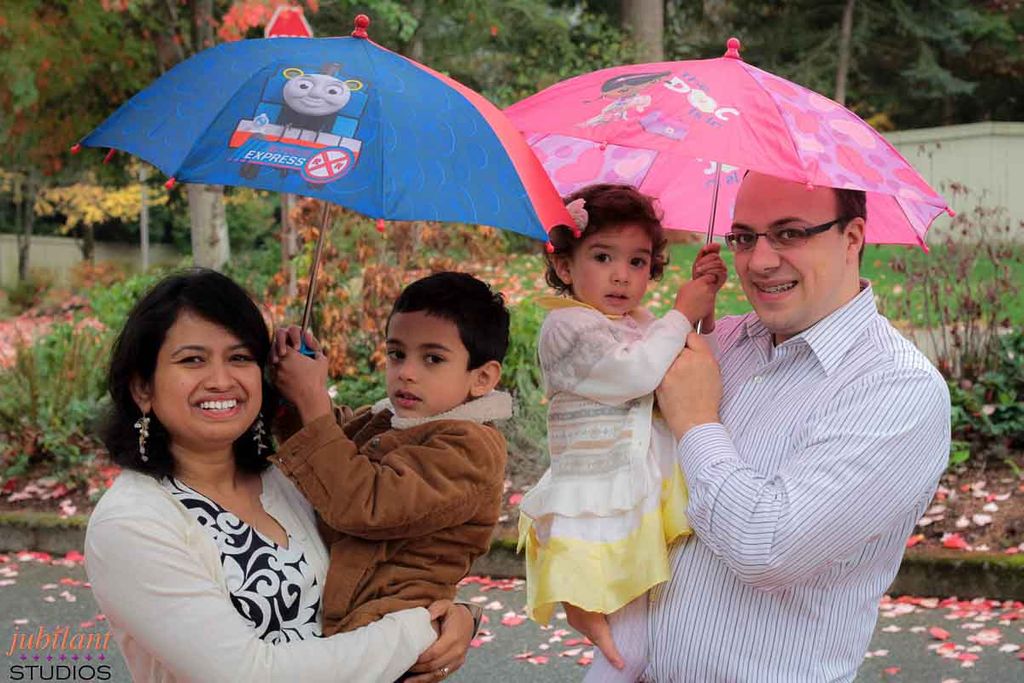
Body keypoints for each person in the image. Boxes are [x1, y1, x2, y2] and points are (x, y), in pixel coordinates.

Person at [567, 172, 952, 681]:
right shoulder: (723, 342)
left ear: (853, 237)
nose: (760, 261)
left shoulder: (896, 389)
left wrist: (698, 424)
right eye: (745, 237)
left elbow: (767, 549)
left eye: (789, 233)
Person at [85, 269, 474, 683]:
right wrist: (417, 630)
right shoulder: (132, 523)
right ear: (143, 388)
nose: (221, 381)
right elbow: (249, 675)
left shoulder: (287, 480)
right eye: (192, 360)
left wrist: (458, 616)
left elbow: (381, 566)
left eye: (240, 358)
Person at [517, 184, 726, 681]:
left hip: (642, 492)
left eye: (637, 262)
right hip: (597, 500)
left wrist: (703, 305)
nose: (621, 274)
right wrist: (680, 313)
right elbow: (636, 374)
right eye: (603, 256)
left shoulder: (638, 321)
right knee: (623, 646)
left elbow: (682, 360)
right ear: (565, 267)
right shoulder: (566, 327)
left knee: (648, 634)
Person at [269, 273, 509, 644]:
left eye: (432, 359)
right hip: (356, 618)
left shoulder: (470, 448)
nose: (406, 373)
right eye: (397, 354)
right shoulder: (388, 418)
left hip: (390, 624)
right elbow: (338, 444)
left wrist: (312, 398)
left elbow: (365, 502)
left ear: (482, 378)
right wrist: (294, 395)